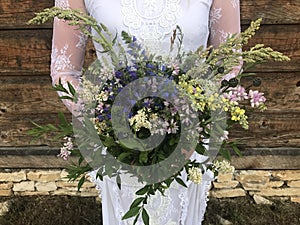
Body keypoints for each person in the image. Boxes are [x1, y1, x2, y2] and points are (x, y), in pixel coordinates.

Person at [51, 0, 241, 224]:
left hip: (189, 139)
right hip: (117, 143)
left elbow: (228, 64)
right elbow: (65, 71)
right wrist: (103, 119)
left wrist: (198, 117)